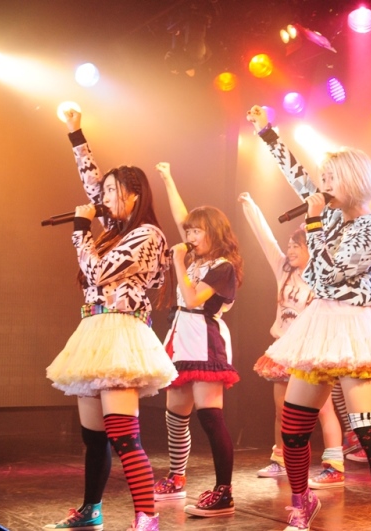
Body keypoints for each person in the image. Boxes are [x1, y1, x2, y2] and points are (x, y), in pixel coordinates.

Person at [247, 105, 371, 531]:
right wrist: (267, 133)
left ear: (353, 182)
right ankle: (302, 502)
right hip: (320, 325)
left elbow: (327, 272)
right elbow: (297, 177)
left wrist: (314, 223)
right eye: (322, 179)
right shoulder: (330, 216)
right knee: (293, 428)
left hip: (356, 327)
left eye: (330, 180)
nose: (321, 187)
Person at [45, 110, 177, 531]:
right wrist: (76, 135)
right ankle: (91, 509)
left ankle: (147, 518)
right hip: (94, 330)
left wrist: (80, 229)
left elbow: (98, 271)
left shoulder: (148, 235)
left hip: (121, 332)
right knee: (94, 436)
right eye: (103, 191)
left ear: (134, 196)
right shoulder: (115, 231)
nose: (102, 197)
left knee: (123, 434)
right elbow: (91, 182)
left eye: (112, 191)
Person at [239, 191, 366, 490]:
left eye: (297, 245)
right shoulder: (283, 270)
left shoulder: (322, 277)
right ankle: (280, 458)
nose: (290, 250)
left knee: (323, 410)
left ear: (311, 248)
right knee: (281, 410)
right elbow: (266, 240)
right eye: (289, 246)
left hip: (310, 350)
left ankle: (334, 464)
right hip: (283, 349)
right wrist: (251, 207)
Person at [150, 163, 242, 517]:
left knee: (210, 417)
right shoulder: (193, 256)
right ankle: (177, 477)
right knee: (175, 414)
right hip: (180, 336)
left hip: (205, 338)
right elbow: (181, 216)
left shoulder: (223, 266)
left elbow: (191, 299)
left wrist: (177, 260)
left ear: (213, 233)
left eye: (196, 231)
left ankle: (224, 490)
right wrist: (168, 178)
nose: (188, 235)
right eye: (188, 231)